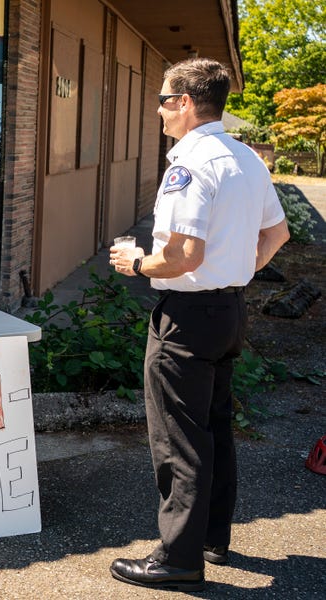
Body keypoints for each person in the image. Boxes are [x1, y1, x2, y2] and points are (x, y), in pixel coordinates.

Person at [108, 58, 290, 591]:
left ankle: (179, 558)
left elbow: (184, 255)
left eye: (165, 100)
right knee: (214, 429)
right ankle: (212, 536)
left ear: (186, 102)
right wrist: (232, 272)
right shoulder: (247, 159)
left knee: (179, 441)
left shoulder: (189, 163)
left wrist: (138, 264)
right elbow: (275, 236)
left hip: (186, 320)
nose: (160, 110)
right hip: (230, 312)